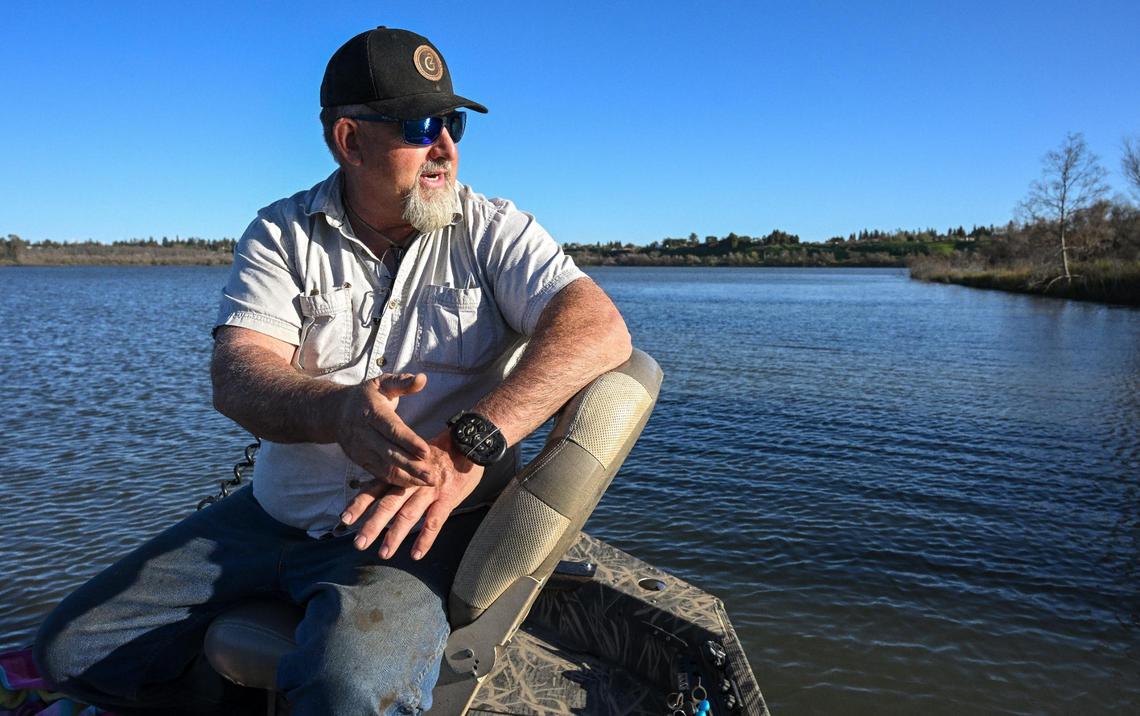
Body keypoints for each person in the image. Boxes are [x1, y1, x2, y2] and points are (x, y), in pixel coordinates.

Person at [34, 26, 631, 715]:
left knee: (347, 689)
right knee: (70, 651)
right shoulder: (280, 233)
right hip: (271, 517)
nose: (446, 147)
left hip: (413, 536)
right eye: (418, 124)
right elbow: (239, 372)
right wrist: (337, 412)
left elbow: (598, 327)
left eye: (453, 121)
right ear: (349, 141)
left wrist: (470, 443)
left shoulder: (493, 231)